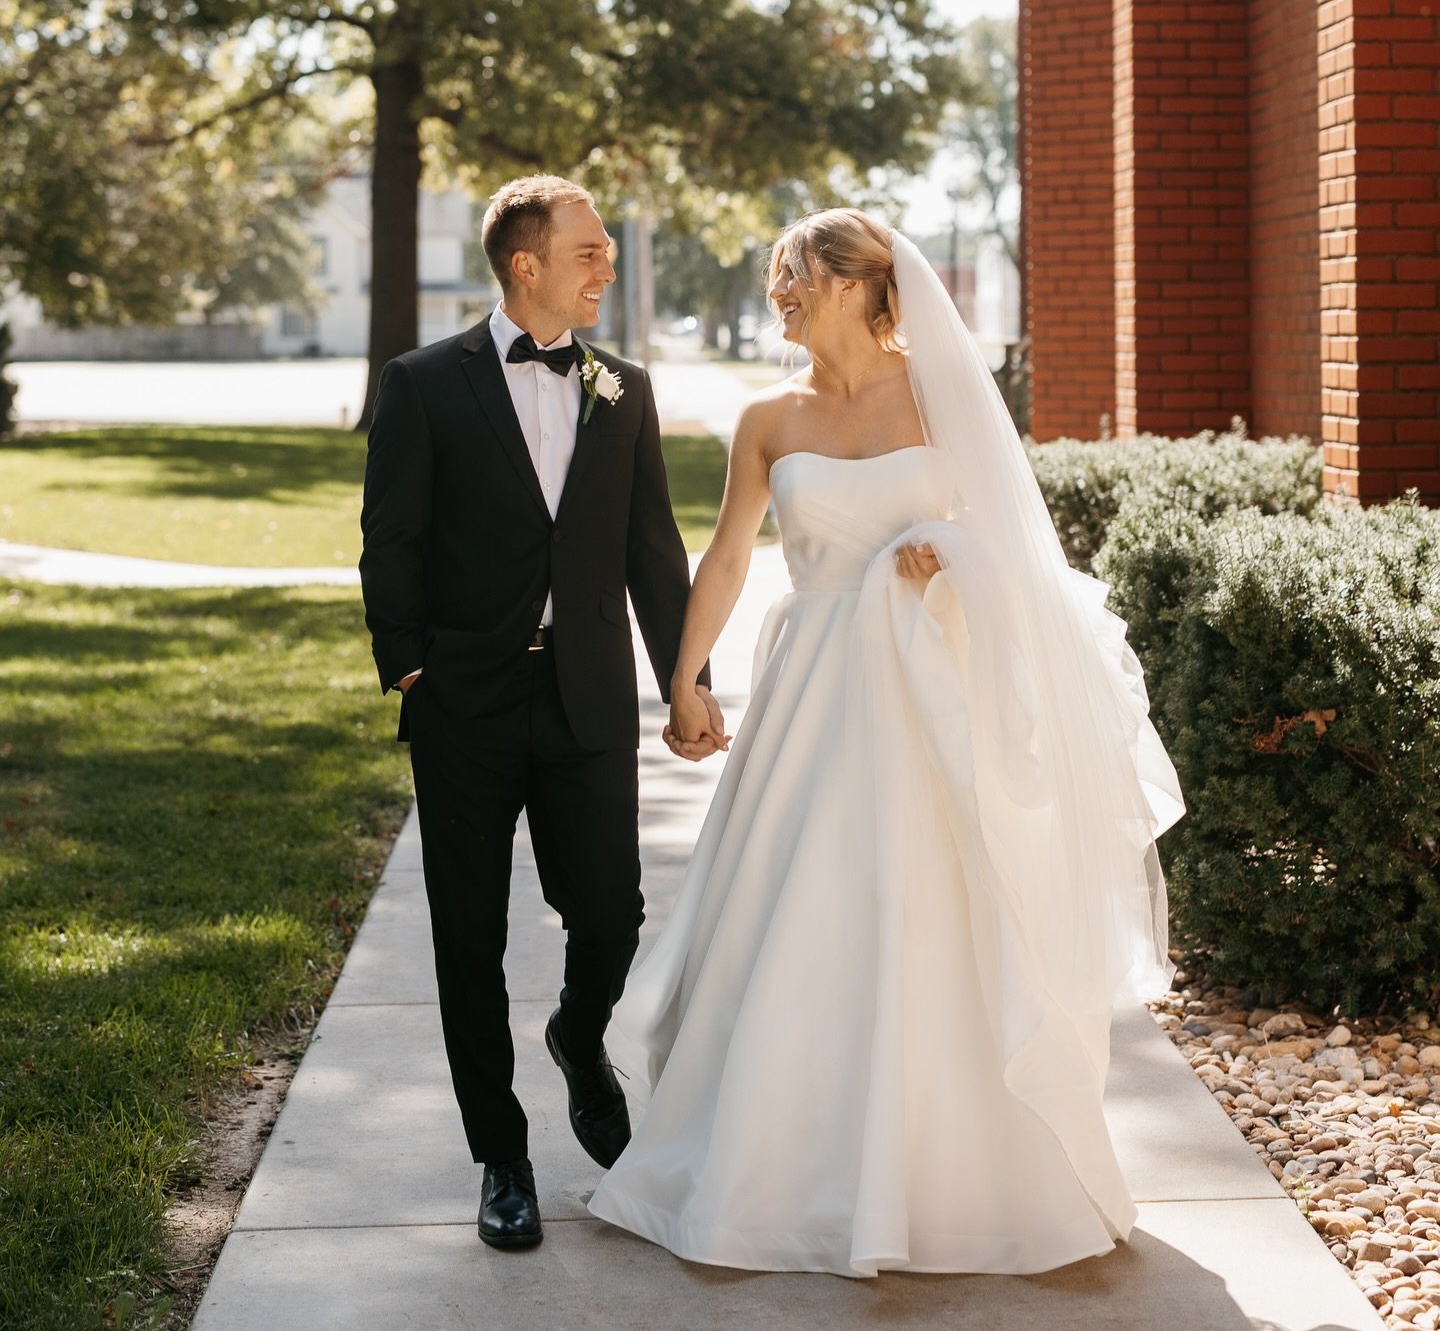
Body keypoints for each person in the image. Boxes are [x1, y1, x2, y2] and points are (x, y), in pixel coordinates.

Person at [588, 209, 1185, 1277]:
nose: (782, 289)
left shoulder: (942, 397)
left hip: (924, 687)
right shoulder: (768, 418)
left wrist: (948, 559)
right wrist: (684, 676)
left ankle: (952, 1179)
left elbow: (1013, 543)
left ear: (866, 285)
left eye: (799, 272)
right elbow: (726, 557)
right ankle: (775, 1167)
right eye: (777, 275)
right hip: (813, 691)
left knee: (930, 913)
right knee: (801, 907)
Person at [359, 174, 721, 1254]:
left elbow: (654, 552)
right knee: (467, 938)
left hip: (588, 697)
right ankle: (502, 1157)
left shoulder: (625, 389)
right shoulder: (424, 385)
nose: (606, 266)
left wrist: (684, 679)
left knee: (610, 911)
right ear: (527, 265)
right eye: (591, 251)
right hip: (465, 702)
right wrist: (411, 673)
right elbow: (393, 542)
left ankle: (578, 1032)